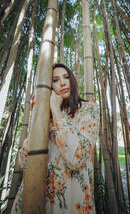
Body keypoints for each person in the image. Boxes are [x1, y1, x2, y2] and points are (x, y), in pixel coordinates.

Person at [11, 63, 100, 214]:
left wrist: (56, 111)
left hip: (71, 200)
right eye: (55, 80)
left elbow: (76, 159)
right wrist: (38, 117)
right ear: (49, 87)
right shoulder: (46, 117)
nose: (62, 83)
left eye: (66, 77)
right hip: (37, 197)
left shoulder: (89, 109)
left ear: (72, 80)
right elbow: (24, 163)